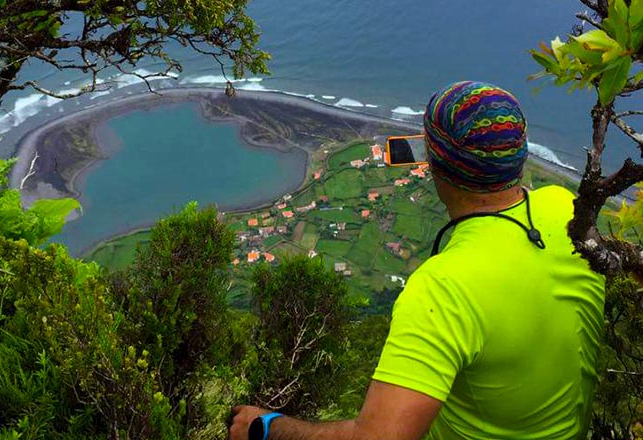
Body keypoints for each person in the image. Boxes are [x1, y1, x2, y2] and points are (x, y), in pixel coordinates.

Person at [229, 81, 606, 440]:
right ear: (521, 156)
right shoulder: (566, 209)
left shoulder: (442, 288)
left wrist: (267, 427)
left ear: (434, 164)